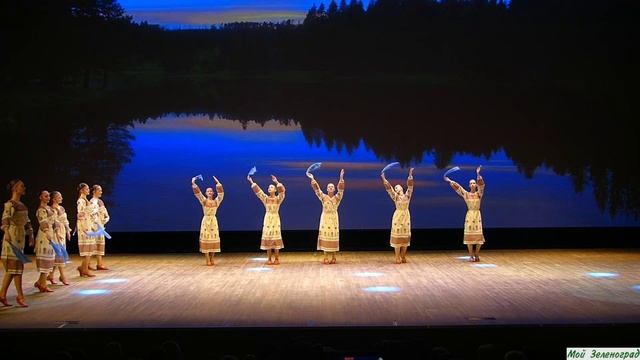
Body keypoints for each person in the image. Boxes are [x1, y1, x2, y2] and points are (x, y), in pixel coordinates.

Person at [0, 179, 34, 307]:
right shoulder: (10, 204)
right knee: (16, 268)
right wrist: (7, 233)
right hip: (12, 237)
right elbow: (5, 220)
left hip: (20, 238)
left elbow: (28, 221)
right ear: (15, 188)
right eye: (21, 186)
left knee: (14, 269)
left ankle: (2, 294)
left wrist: (31, 234)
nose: (24, 188)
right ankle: (20, 296)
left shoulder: (22, 205)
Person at [444, 165, 486, 262]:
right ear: (469, 185)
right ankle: (471, 255)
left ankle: (476, 254)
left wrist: (478, 174)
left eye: (473, 183)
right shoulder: (466, 194)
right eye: (471, 183)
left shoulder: (479, 194)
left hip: (477, 215)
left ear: (475, 185)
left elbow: (482, 186)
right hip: (470, 215)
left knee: (479, 237)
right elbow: (458, 188)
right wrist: (450, 181)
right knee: (469, 237)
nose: (472, 184)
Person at [308, 169, 345, 264]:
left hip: (333, 218)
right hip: (325, 218)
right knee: (325, 236)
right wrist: (312, 178)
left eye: (332, 187)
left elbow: (341, 189)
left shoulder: (337, 198)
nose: (331, 188)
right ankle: (325, 257)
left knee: (333, 236)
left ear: (334, 188)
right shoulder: (323, 197)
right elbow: (317, 189)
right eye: (329, 187)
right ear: (327, 189)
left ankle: (333, 257)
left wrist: (341, 178)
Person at [248, 174, 285, 265]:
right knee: (268, 239)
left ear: (275, 190)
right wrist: (251, 181)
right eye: (269, 187)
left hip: (275, 219)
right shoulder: (265, 198)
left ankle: (276, 258)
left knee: (275, 239)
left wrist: (276, 182)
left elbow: (282, 192)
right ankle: (269, 258)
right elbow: (259, 192)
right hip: (268, 219)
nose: (269, 188)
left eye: (271, 187)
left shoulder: (278, 199)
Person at [382, 168, 414, 264]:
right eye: (395, 188)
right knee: (397, 238)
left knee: (405, 238)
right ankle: (397, 257)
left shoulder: (407, 196)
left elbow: (410, 187)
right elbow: (389, 189)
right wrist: (384, 178)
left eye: (398, 187)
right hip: (398, 216)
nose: (396, 189)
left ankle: (403, 256)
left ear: (402, 188)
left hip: (406, 216)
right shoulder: (395, 197)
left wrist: (410, 176)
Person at [191, 176, 224, 266]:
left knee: (213, 239)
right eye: (208, 191)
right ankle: (207, 259)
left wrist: (218, 184)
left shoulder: (216, 202)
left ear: (213, 193)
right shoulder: (204, 201)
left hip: (213, 221)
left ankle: (212, 258)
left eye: (211, 191)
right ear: (206, 193)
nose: (209, 192)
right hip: (206, 221)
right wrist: (193, 183)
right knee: (206, 238)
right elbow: (198, 194)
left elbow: (221, 195)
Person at [34, 190, 56, 293]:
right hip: (44, 235)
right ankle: (42, 283)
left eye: (48, 196)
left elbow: (54, 220)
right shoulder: (41, 210)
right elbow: (43, 222)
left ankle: (40, 282)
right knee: (45, 259)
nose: (48, 198)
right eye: (45, 196)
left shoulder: (49, 208)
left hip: (51, 233)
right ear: (40, 197)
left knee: (49, 259)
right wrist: (47, 233)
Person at [50, 191, 71, 285]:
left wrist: (67, 231)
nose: (61, 198)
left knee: (58, 253)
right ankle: (62, 276)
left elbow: (65, 220)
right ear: (54, 199)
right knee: (60, 253)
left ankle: (50, 275)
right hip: (56, 232)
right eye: (59, 197)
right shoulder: (52, 209)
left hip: (62, 230)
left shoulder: (61, 208)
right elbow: (54, 222)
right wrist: (57, 232)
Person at [76, 183, 96, 277]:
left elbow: (88, 214)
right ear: (81, 190)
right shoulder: (81, 201)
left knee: (90, 249)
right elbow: (80, 214)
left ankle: (83, 268)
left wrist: (91, 225)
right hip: (84, 226)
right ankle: (85, 269)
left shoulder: (85, 200)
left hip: (88, 224)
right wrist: (84, 227)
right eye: (86, 188)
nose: (88, 190)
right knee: (87, 249)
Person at [89, 184, 110, 270]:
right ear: (94, 191)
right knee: (93, 244)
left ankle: (99, 263)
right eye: (99, 190)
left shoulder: (100, 201)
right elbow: (92, 214)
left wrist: (106, 218)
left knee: (100, 244)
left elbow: (105, 213)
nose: (101, 192)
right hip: (95, 226)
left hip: (100, 225)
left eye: (101, 190)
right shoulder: (92, 201)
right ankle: (88, 264)